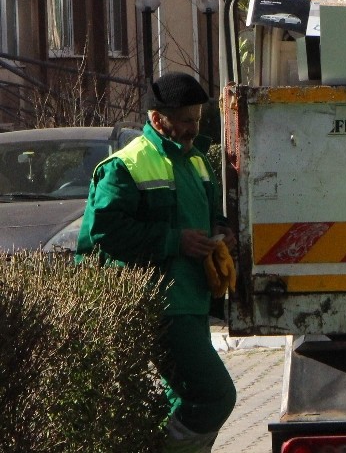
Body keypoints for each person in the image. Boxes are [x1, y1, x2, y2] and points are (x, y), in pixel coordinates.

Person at [77, 72, 237, 452]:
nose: (192, 128)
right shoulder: (124, 166)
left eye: (196, 119)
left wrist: (222, 230)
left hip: (192, 300)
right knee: (216, 396)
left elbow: (213, 213)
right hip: (161, 304)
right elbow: (103, 232)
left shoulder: (198, 161)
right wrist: (174, 241)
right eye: (183, 120)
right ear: (156, 119)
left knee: (184, 400)